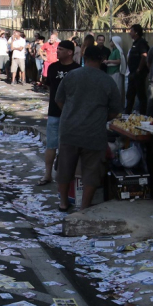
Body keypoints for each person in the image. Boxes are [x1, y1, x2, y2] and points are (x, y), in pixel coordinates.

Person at [55, 46, 123, 211]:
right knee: (91, 172)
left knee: (65, 168)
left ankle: (63, 203)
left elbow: (59, 100)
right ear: (101, 60)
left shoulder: (71, 75)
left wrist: (71, 114)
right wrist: (100, 118)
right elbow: (115, 110)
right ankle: (84, 208)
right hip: (93, 133)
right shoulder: (108, 81)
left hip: (69, 131)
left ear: (84, 58)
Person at [37, 40, 81, 187]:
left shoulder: (77, 69)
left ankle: (65, 177)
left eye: (61, 49)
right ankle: (47, 174)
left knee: (68, 147)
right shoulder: (53, 67)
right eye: (58, 49)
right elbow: (50, 87)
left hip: (71, 114)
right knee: (51, 145)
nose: (57, 51)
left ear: (70, 52)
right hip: (54, 113)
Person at [125, 24, 150, 115]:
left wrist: (139, 70)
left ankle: (143, 114)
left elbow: (144, 56)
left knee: (140, 95)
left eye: (131, 31)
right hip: (132, 73)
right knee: (130, 95)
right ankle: (127, 113)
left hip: (138, 74)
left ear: (136, 32)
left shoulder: (141, 43)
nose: (129, 33)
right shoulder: (135, 43)